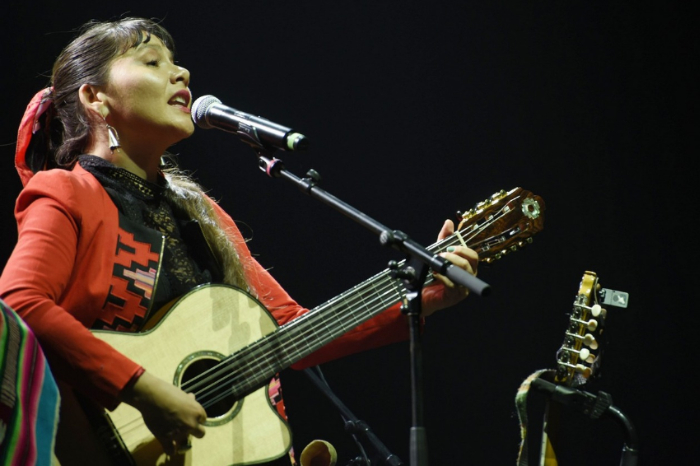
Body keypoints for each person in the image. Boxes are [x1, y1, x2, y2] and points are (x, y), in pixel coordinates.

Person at [0, 17, 478, 466]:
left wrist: (424, 299)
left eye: (175, 61)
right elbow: (20, 304)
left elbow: (289, 331)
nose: (181, 72)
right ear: (96, 98)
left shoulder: (201, 212)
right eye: (152, 62)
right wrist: (141, 388)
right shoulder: (67, 192)